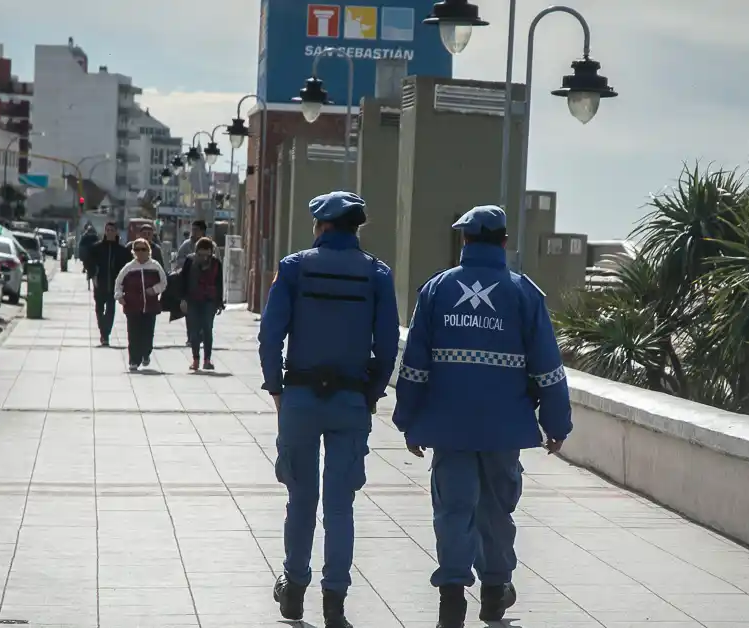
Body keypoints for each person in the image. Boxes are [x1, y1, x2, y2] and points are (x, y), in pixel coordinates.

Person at [392, 205, 572, 628]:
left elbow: (414, 364)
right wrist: (557, 423)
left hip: (449, 426)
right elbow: (548, 366)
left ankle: (452, 596)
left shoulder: (437, 290)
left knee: (454, 508)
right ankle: (494, 592)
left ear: (464, 241)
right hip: (503, 427)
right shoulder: (524, 293)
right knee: (496, 510)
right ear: (505, 242)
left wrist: (408, 418)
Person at [258, 191, 400, 628]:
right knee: (340, 505)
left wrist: (276, 387)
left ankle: (294, 590)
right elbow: (389, 343)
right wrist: (371, 392)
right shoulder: (377, 273)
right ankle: (334, 600)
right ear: (356, 227)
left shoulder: (295, 267)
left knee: (300, 498)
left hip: (300, 397)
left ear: (321, 226)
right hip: (350, 399)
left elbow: (269, 335)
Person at [116, 238, 168, 370]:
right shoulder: (129, 268)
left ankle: (146, 353)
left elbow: (164, 283)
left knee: (147, 333)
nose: (140, 252)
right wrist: (119, 296)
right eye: (137, 249)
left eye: (143, 249)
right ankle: (134, 359)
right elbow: (118, 284)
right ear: (134, 252)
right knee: (133, 333)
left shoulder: (155, 266)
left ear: (148, 251)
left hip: (150, 306)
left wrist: (154, 290)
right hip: (132, 306)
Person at [178, 237, 224, 370]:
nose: (204, 256)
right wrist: (183, 299)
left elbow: (219, 283)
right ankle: (196, 359)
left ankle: (207, 359)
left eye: (207, 252)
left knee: (207, 329)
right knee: (194, 331)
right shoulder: (190, 261)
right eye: (201, 252)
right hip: (192, 300)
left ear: (211, 251)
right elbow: (183, 281)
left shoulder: (216, 263)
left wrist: (219, 303)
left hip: (209, 301)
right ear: (196, 251)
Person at [85, 222, 133, 346]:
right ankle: (103, 332)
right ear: (105, 232)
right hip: (100, 283)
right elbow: (88, 262)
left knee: (110, 310)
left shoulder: (122, 251)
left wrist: (124, 283)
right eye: (108, 230)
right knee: (99, 309)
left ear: (116, 232)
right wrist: (93, 275)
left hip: (114, 285)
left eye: (112, 230)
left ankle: (106, 333)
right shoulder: (97, 248)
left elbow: (127, 267)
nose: (110, 232)